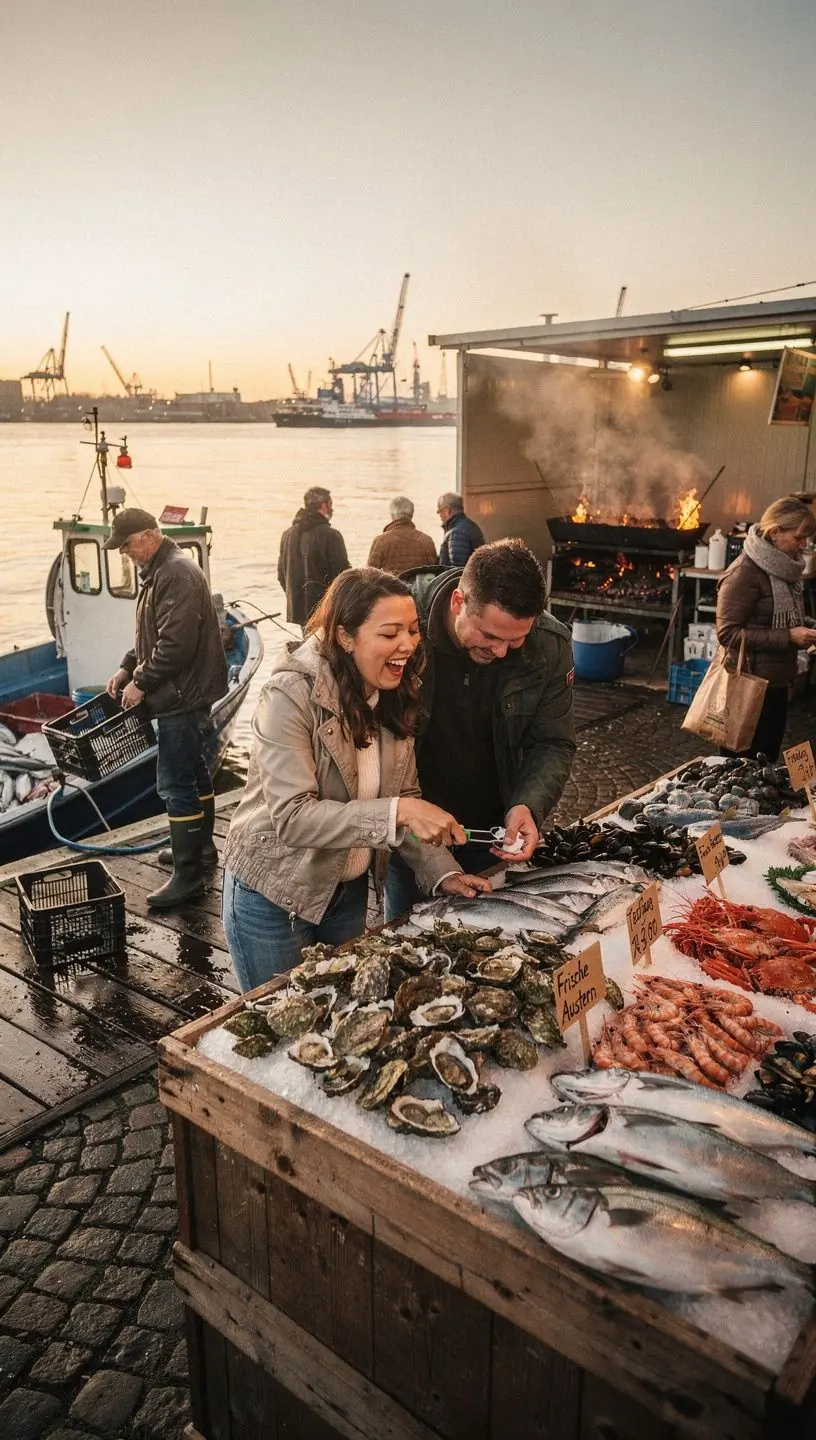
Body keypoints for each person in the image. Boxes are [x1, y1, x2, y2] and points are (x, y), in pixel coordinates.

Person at [222, 568, 491, 992]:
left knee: (343, 1018)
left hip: (347, 892)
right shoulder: (288, 695)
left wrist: (443, 873)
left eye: (413, 630)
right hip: (275, 896)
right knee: (282, 1031)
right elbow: (293, 819)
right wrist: (399, 810)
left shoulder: (394, 692)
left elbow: (404, 798)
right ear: (345, 637)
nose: (407, 645)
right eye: (389, 634)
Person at [385, 538, 576, 921]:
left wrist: (528, 805)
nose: (501, 651)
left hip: (491, 829)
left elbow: (552, 742)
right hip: (412, 829)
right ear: (459, 603)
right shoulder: (399, 628)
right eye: (489, 636)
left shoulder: (551, 646)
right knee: (407, 929)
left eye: (516, 639)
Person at [104, 508, 228, 909]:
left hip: (182, 696)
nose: (125, 553)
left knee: (176, 785)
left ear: (148, 535)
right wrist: (126, 667)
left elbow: (175, 645)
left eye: (127, 544)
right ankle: (200, 850)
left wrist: (141, 683)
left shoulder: (175, 573)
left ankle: (188, 877)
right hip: (181, 693)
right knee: (194, 774)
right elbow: (151, 636)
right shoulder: (161, 571)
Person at [716, 495, 816, 760]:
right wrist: (788, 637)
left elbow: (778, 617)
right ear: (775, 532)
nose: (804, 545)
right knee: (740, 765)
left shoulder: (785, 569)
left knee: (766, 759)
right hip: (748, 684)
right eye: (798, 538)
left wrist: (807, 627)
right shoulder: (744, 572)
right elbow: (727, 633)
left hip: (777, 683)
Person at [278, 486, 349, 625]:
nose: (332, 509)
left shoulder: (287, 535)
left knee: (309, 645)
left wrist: (294, 597)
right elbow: (343, 577)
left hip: (298, 612)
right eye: (331, 505)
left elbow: (281, 576)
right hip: (326, 611)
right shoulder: (331, 535)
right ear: (323, 506)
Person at [367, 496, 438, 574]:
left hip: (392, 585)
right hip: (420, 586)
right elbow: (434, 571)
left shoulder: (381, 541)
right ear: (412, 515)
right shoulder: (427, 541)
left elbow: (370, 574)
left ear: (392, 515)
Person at [437, 492, 484, 567]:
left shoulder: (456, 533)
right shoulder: (470, 526)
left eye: (439, 511)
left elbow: (456, 571)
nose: (439, 516)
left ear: (447, 510)